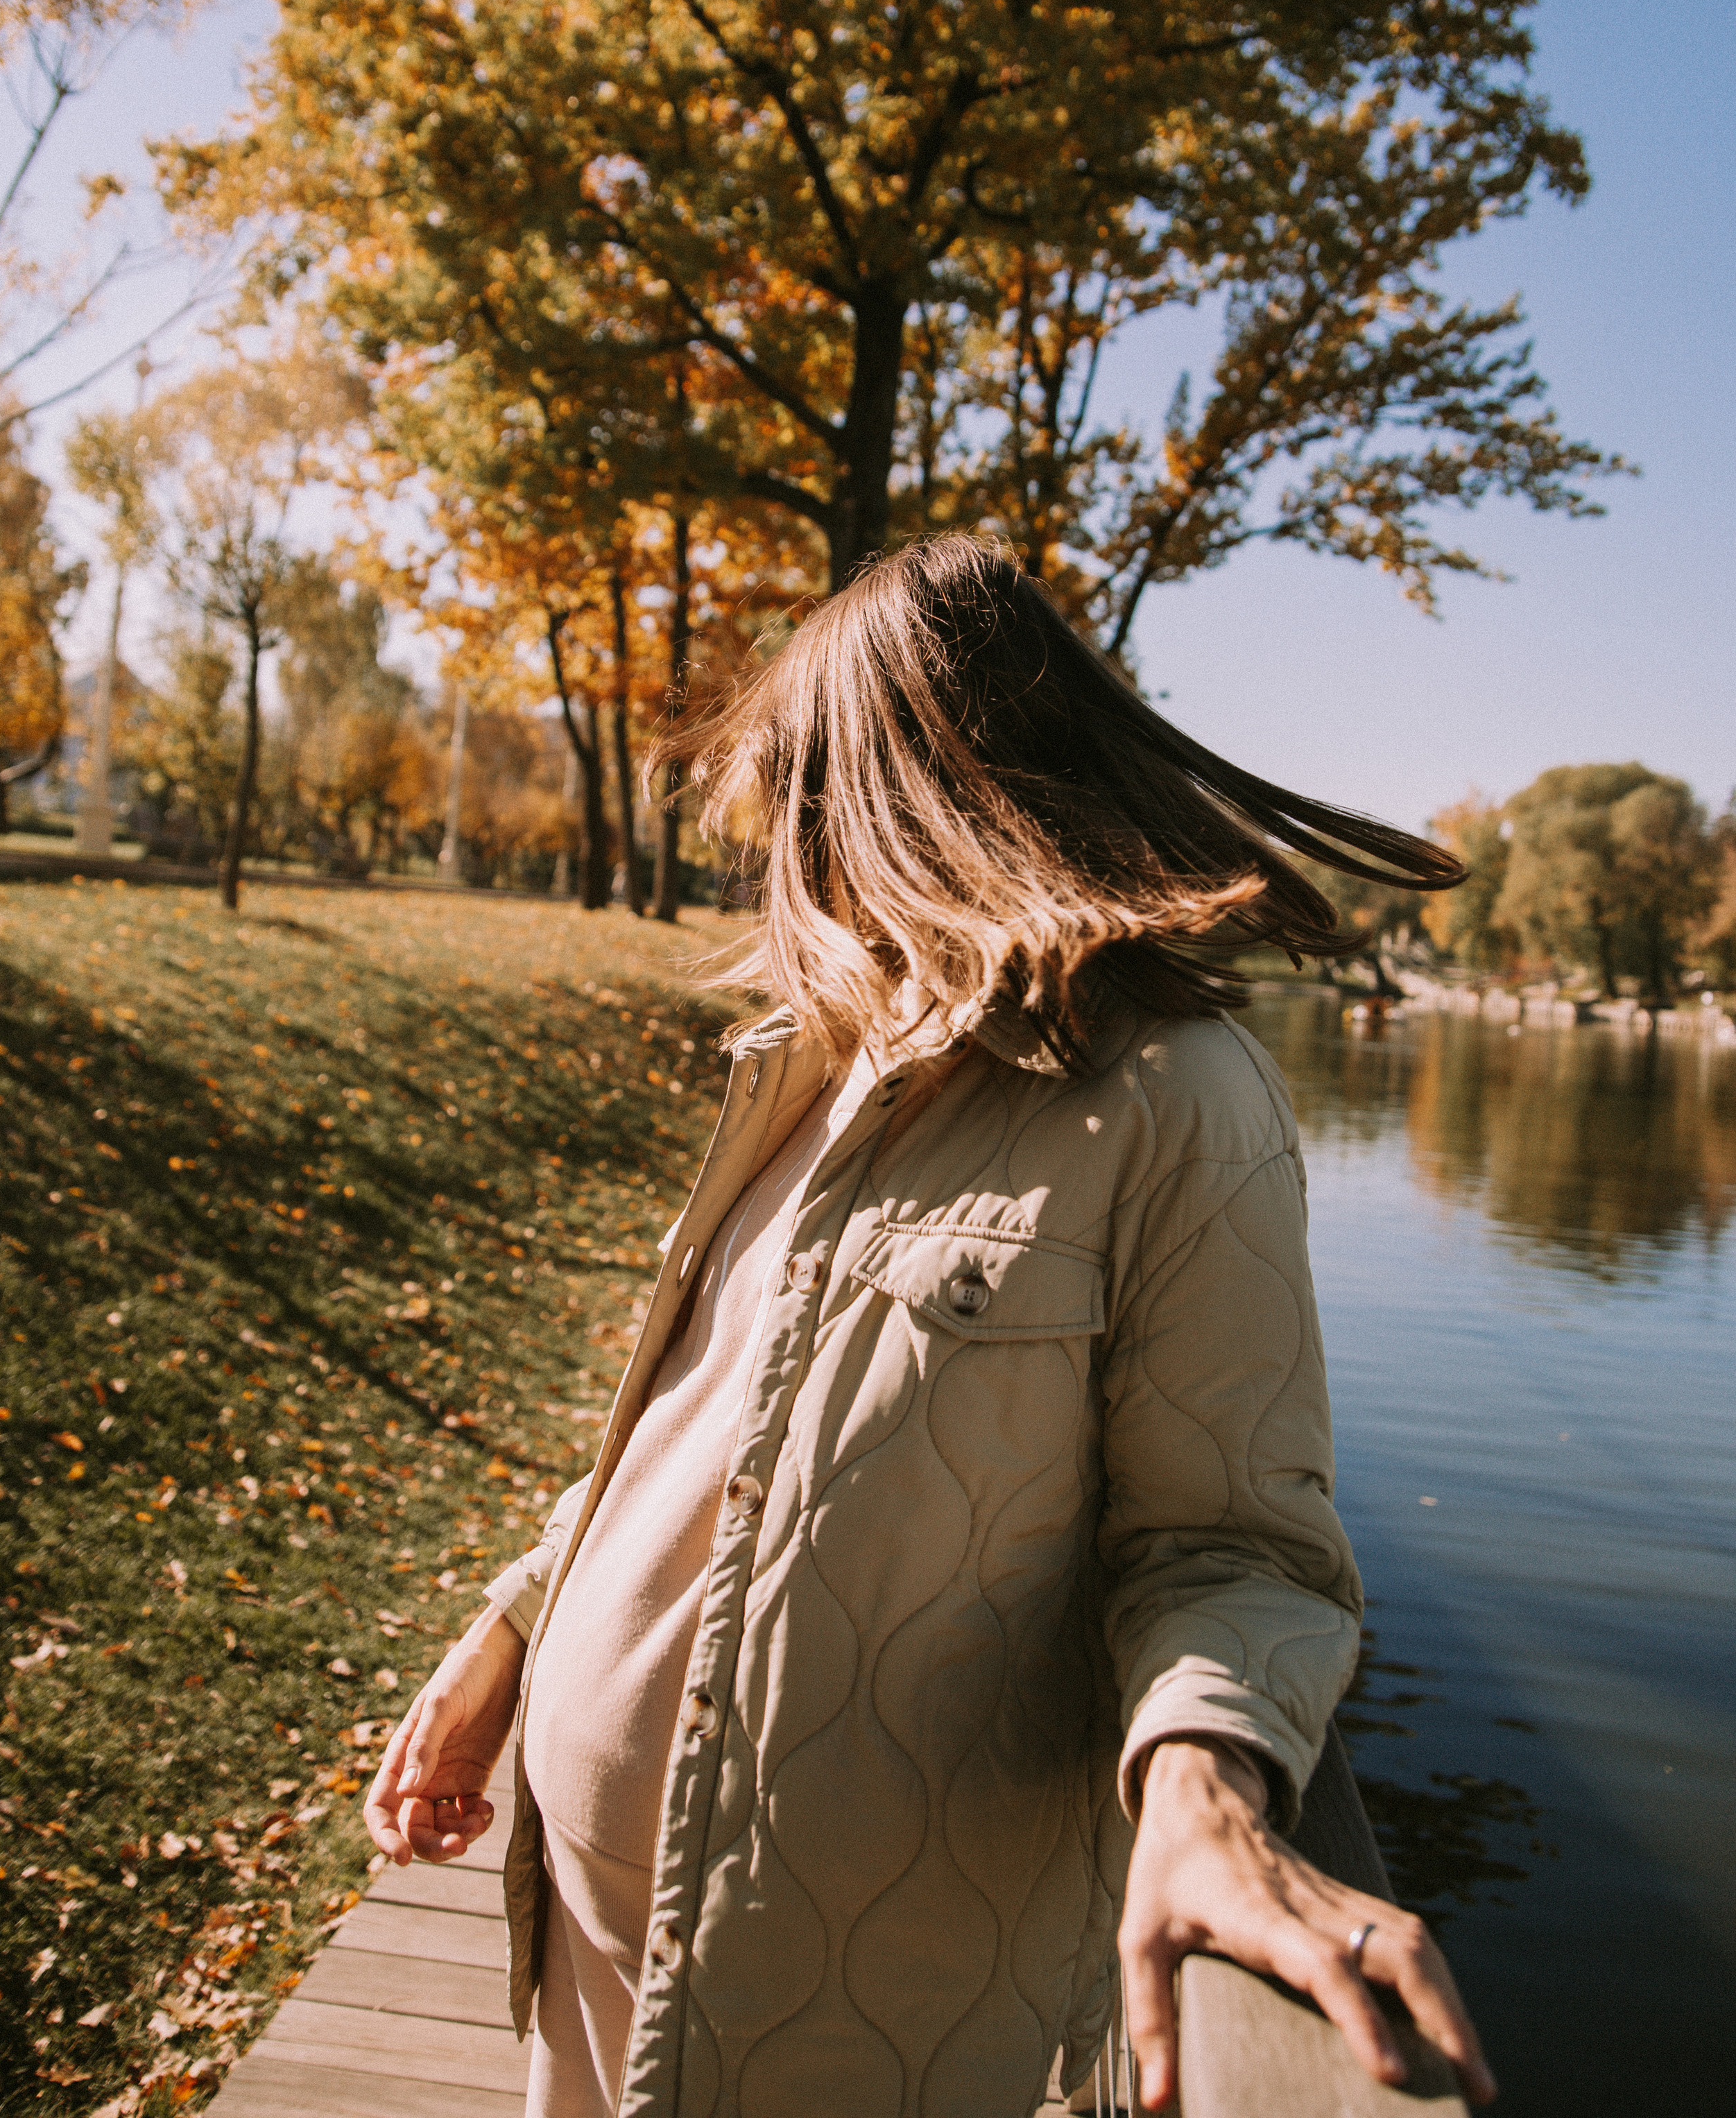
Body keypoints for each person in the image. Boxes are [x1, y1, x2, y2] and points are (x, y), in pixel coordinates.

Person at [365, 537, 1495, 2118]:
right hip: (593, 1953)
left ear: (902, 798)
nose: (782, 861)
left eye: (799, 803)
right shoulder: (813, 1062)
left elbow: (1231, 1547)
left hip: (835, 2031)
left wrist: (1208, 1795)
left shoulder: (1175, 1099)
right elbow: (693, 1425)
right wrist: (509, 1635)